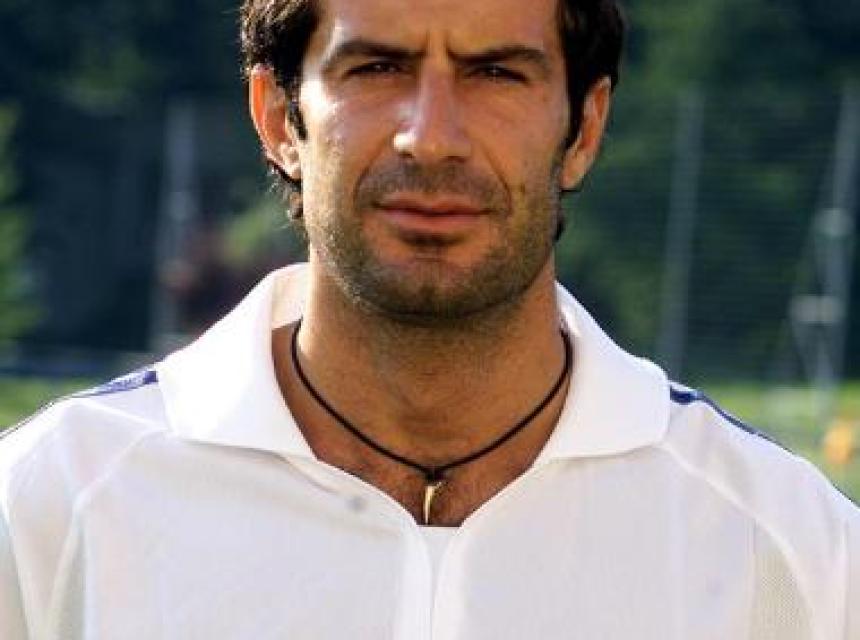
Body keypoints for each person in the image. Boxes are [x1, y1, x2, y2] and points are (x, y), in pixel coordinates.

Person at [2, 0, 858, 637]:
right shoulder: (46, 507)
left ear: (584, 127)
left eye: (497, 73)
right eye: (377, 68)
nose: (432, 136)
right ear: (279, 118)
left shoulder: (796, 551)